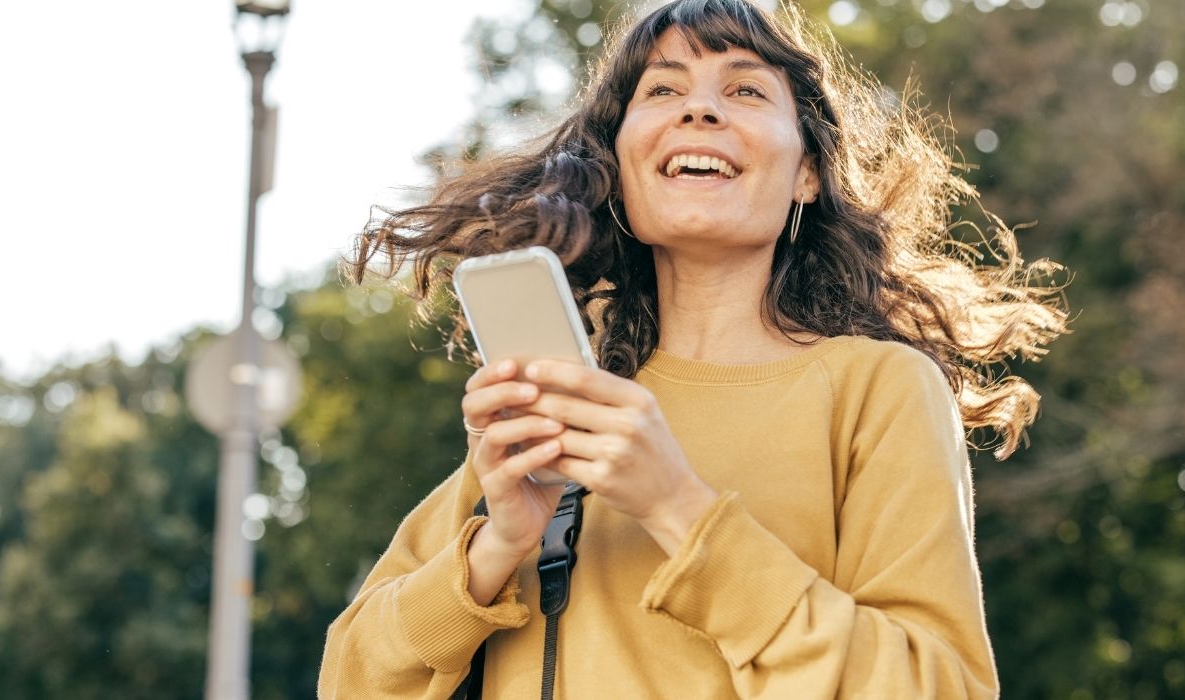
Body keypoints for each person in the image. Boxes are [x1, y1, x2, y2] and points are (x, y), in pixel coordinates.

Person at [319, 0, 1066, 697]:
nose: (699, 109)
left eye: (745, 90)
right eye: (662, 90)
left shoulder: (879, 389)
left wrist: (676, 506)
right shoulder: (565, 406)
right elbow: (351, 678)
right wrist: (497, 545)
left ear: (807, 172)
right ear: (620, 166)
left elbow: (937, 684)